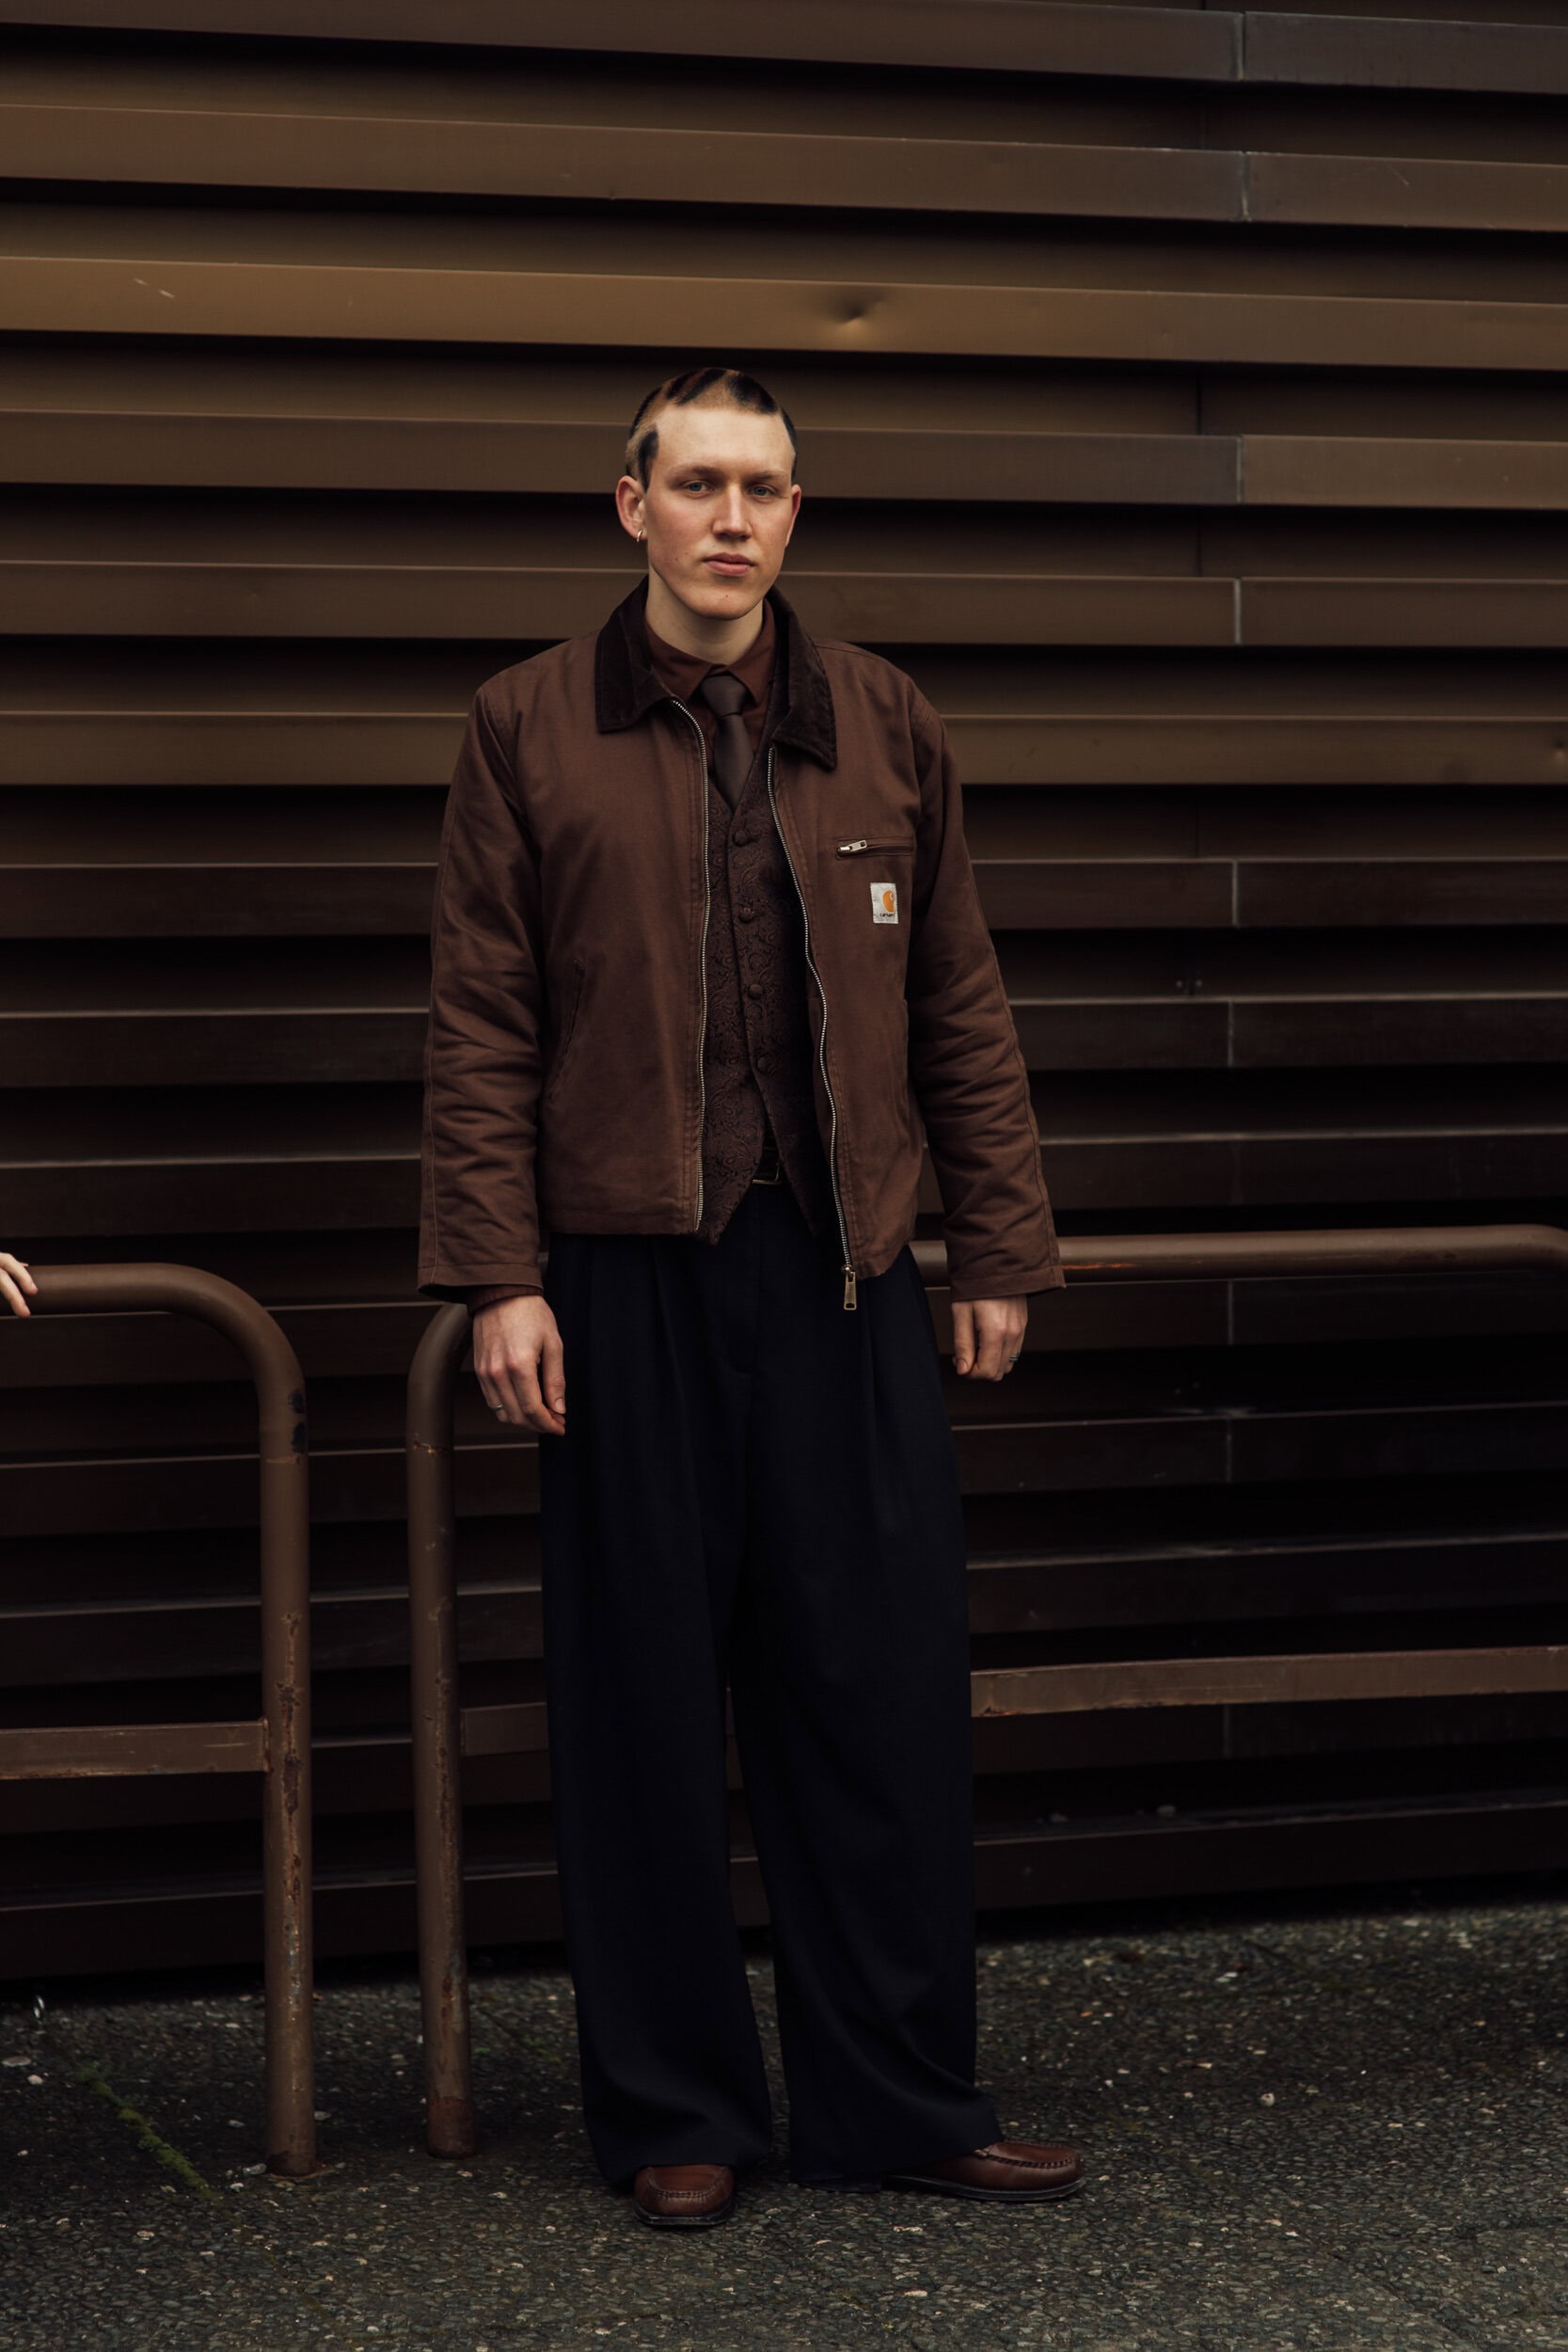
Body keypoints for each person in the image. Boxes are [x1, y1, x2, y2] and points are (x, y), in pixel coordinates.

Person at [419, 366, 1082, 2228]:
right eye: (699, 481)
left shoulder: (881, 718)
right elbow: (482, 1016)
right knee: (637, 1695)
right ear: (629, 504)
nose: (733, 517)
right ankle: (675, 2110)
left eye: (764, 487)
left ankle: (898, 2099)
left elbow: (958, 995)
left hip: (841, 1269)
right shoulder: (525, 725)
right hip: (620, 1271)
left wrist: (1000, 1239)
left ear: (797, 512)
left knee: (877, 1693)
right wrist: (498, 1274)